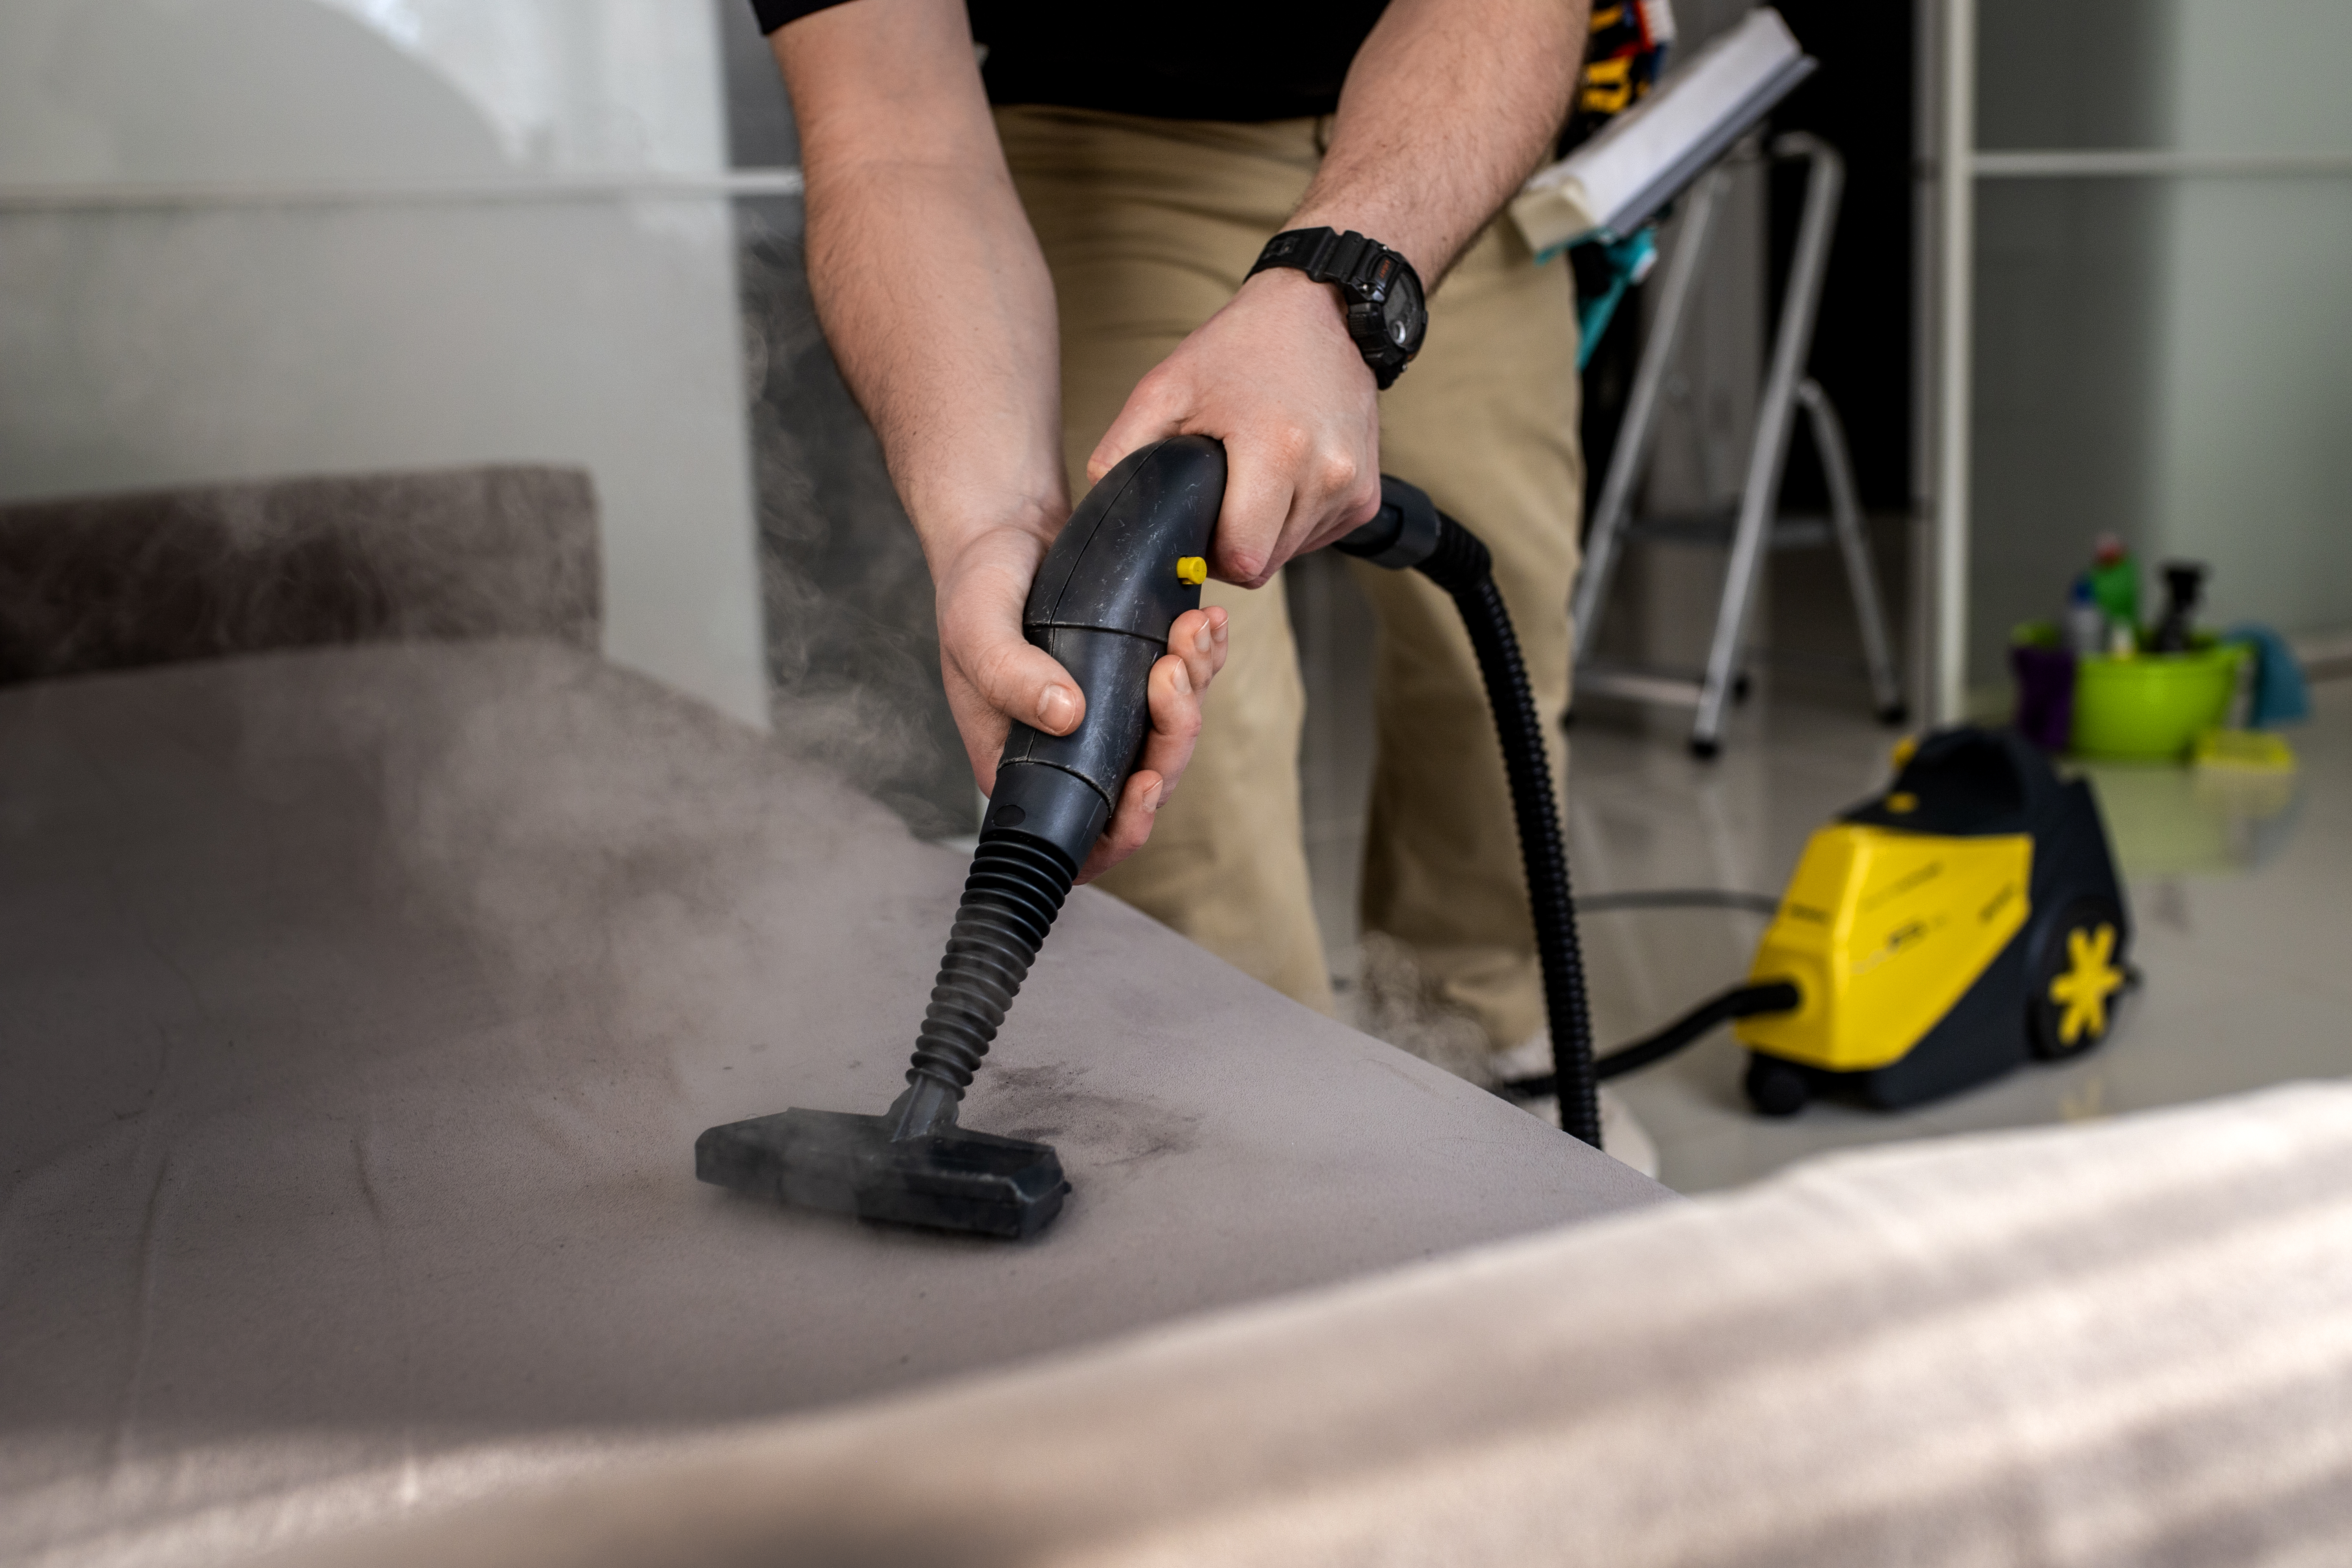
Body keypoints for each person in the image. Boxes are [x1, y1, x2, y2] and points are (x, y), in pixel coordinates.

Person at [756, 0, 1592, 1069]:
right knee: (1188, 777)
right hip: (1108, 151)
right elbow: (892, 130)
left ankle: (1494, 1051)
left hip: (1451, 122)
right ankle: (1265, 1127)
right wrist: (990, 528)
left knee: (1492, 671)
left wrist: (1334, 286)